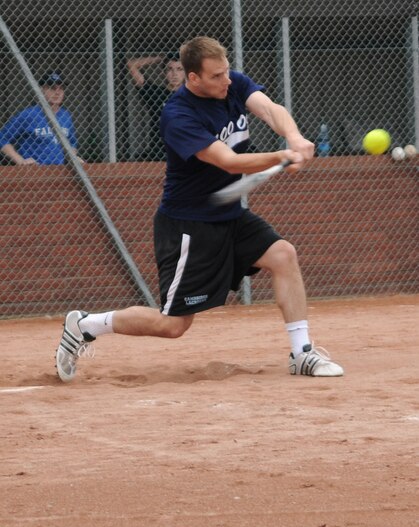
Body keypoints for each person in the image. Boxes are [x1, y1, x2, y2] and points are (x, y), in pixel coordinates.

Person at [56, 36, 343, 382]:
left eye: (226, 72)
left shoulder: (232, 83)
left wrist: (294, 138)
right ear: (194, 79)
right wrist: (281, 156)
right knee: (173, 325)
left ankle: (303, 353)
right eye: (216, 76)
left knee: (283, 254)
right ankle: (85, 325)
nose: (226, 81)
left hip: (230, 215)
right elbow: (228, 161)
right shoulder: (178, 115)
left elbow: (270, 109)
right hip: (189, 225)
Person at [0, 71, 80, 166]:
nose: (57, 92)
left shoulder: (65, 115)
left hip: (60, 172)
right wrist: (20, 160)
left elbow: (72, 143)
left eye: (61, 88)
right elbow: (2, 138)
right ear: (42, 90)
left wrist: (73, 158)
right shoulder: (28, 114)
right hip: (34, 172)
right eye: (52, 88)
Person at [127, 53, 185, 160]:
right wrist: (159, 58)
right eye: (170, 69)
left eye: (179, 69)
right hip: (159, 151)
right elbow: (132, 64)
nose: (174, 74)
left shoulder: (192, 96)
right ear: (164, 72)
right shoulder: (156, 93)